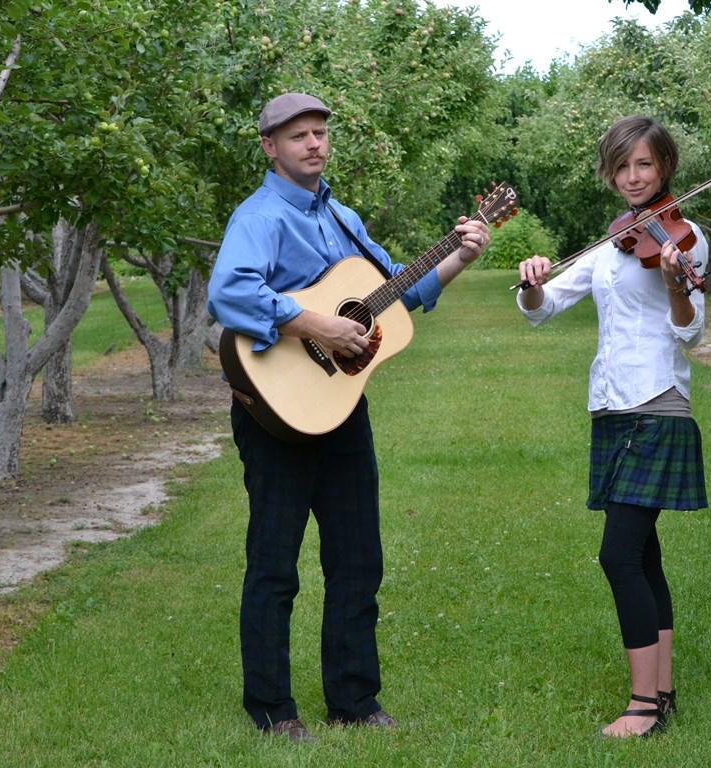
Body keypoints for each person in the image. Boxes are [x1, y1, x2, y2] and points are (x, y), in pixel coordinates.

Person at [207, 92, 490, 744]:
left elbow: (397, 292)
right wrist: (317, 326)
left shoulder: (343, 218)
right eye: (298, 135)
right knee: (274, 565)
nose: (313, 143)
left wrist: (460, 255)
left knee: (359, 560)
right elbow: (230, 291)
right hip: (274, 410)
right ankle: (273, 711)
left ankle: (355, 702)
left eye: (320, 133)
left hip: (340, 407)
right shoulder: (259, 217)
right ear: (270, 147)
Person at [515, 116, 708, 739]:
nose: (633, 177)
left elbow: (691, 330)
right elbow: (544, 309)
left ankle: (643, 707)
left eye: (644, 164)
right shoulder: (612, 244)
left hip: (656, 403)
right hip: (611, 406)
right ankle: (663, 694)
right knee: (644, 556)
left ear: (665, 167)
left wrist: (676, 285)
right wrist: (532, 282)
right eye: (622, 166)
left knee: (618, 554)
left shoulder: (686, 239)